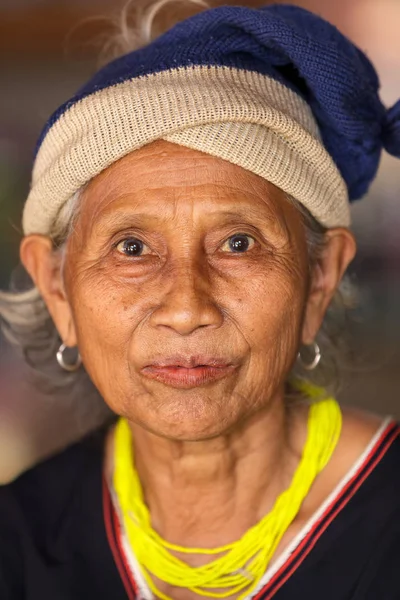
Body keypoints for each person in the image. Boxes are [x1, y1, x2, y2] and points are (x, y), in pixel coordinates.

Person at [1, 1, 400, 598]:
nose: (187, 308)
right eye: (132, 248)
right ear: (57, 288)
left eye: (238, 243)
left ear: (319, 277)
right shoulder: (17, 540)